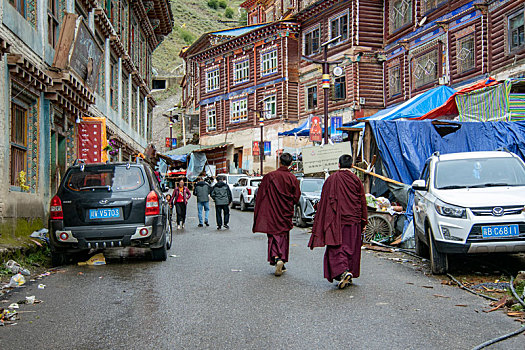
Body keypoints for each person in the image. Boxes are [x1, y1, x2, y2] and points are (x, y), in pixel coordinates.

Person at [308, 154, 367, 289]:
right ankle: (348, 272)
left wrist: (321, 219)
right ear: (352, 165)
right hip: (353, 220)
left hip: (335, 221)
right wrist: (364, 221)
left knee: (337, 246)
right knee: (351, 247)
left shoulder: (332, 179)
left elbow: (324, 201)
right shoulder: (356, 180)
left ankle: (343, 272)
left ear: (338, 165)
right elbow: (362, 201)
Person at [253, 153, 300, 276]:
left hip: (272, 211)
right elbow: (296, 197)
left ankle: (276, 257)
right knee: (283, 235)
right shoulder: (293, 179)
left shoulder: (270, 176)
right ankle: (281, 258)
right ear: (290, 164)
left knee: (273, 234)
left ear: (279, 162)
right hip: (285, 212)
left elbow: (261, 194)